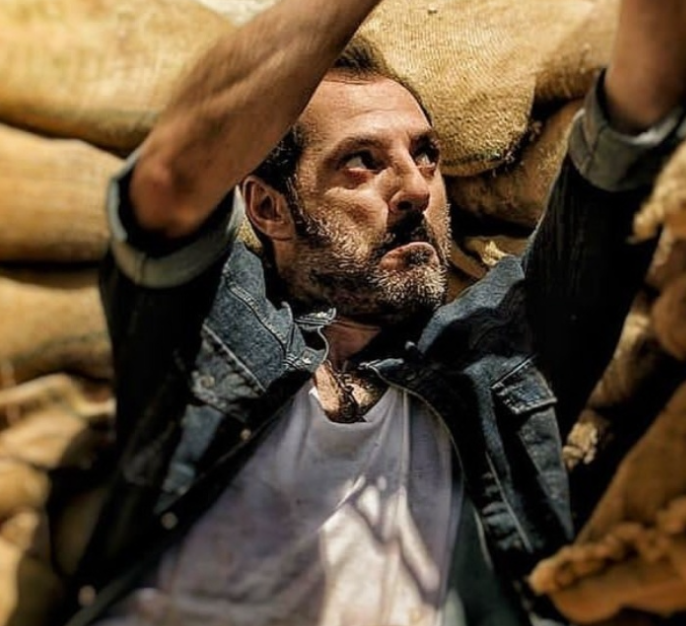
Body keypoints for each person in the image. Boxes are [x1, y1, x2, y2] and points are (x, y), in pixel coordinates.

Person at [59, 0, 686, 624]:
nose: (415, 187)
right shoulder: (211, 329)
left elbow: (627, 140)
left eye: (426, 155)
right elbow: (169, 182)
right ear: (270, 209)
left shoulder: (497, 361)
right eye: (361, 161)